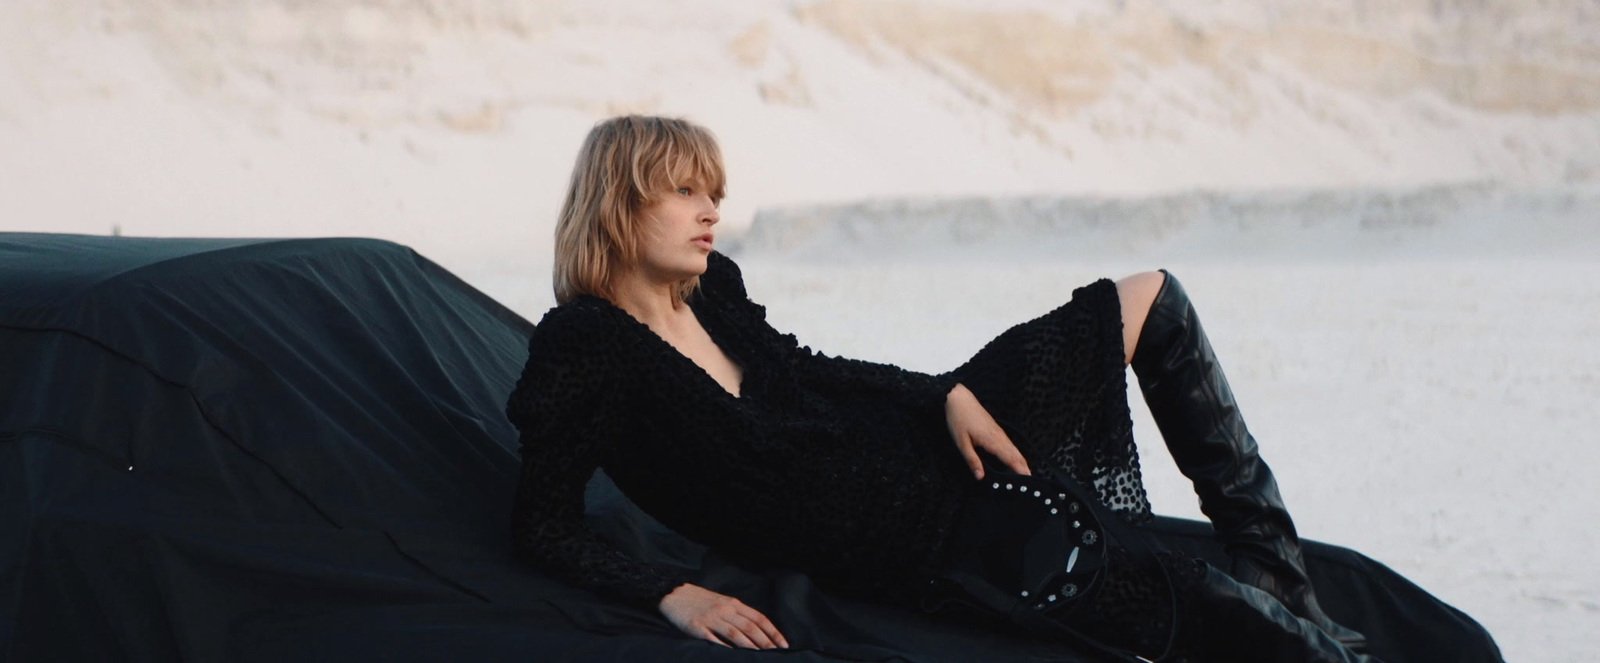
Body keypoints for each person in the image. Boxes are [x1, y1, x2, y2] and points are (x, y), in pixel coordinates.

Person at [504, 116, 1462, 662]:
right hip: (922, 536)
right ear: (618, 205)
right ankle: (1291, 612)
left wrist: (947, 394)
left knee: (1148, 301)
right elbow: (542, 523)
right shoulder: (585, 349)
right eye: (684, 191)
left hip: (933, 439)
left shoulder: (716, 289)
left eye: (712, 188)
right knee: (1202, 609)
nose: (712, 209)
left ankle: (1278, 568)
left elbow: (816, 373)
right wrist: (672, 590)